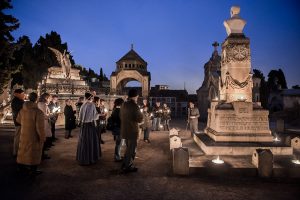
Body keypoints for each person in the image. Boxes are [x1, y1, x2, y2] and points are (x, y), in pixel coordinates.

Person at [16, 92, 45, 175]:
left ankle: (21, 167)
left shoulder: (22, 110)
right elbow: (40, 127)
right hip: (33, 136)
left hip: (24, 134)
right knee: (33, 152)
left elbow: (18, 120)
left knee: (23, 150)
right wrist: (42, 137)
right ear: (36, 99)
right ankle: (33, 170)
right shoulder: (38, 112)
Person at [120, 89, 143, 173]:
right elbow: (139, 119)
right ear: (135, 96)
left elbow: (120, 116)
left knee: (128, 148)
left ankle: (125, 164)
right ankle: (128, 166)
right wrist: (141, 115)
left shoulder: (123, 104)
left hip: (125, 130)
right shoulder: (134, 106)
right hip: (132, 131)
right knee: (132, 149)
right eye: (137, 96)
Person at [76, 92, 100, 165]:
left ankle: (82, 157)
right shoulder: (91, 105)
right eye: (92, 98)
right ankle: (90, 158)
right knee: (90, 141)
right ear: (91, 98)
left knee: (83, 141)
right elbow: (94, 116)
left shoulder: (83, 105)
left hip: (83, 126)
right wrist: (99, 114)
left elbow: (80, 116)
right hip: (90, 125)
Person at [37, 93, 52, 160]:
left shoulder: (40, 104)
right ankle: (42, 155)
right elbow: (45, 116)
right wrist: (53, 114)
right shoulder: (43, 105)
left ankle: (42, 154)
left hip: (42, 123)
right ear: (46, 98)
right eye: (49, 98)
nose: (50, 100)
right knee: (44, 140)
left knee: (43, 140)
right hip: (44, 123)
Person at [11, 89, 25, 157]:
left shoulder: (17, 101)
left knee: (18, 136)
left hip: (18, 120)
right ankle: (16, 152)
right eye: (22, 94)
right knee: (18, 137)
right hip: (19, 121)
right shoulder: (17, 101)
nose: (23, 95)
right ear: (17, 94)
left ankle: (17, 151)